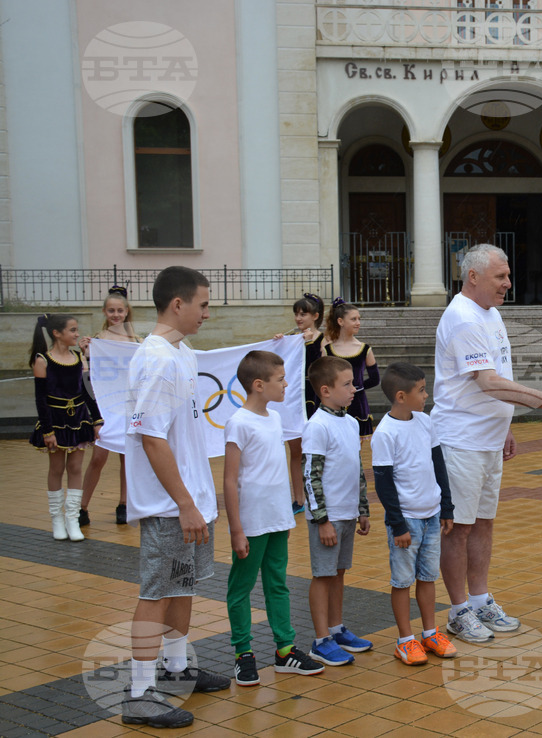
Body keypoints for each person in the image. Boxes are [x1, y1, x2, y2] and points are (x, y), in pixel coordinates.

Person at [432, 243, 542, 643]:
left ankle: (480, 600)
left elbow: (496, 377)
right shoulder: (462, 318)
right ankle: (459, 610)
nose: (508, 284)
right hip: (461, 441)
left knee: (482, 523)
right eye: (501, 277)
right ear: (473, 276)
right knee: (458, 529)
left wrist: (506, 423)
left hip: (487, 437)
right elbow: (488, 381)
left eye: (508, 276)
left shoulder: (490, 314)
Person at [122, 266, 230, 729]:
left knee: (183, 582)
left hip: (191, 498)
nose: (207, 313)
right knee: (158, 590)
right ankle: (140, 693)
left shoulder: (181, 353)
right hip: (170, 504)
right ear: (177, 304)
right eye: (203, 304)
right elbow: (152, 438)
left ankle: (175, 665)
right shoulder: (157, 360)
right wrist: (184, 502)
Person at [223, 350, 325, 687]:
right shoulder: (238, 423)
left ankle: (284, 650)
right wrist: (236, 530)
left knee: (277, 583)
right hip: (251, 522)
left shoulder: (274, 418)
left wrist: (288, 511)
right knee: (241, 587)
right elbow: (230, 479)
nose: (285, 385)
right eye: (280, 380)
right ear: (258, 385)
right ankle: (243, 653)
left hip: (278, 517)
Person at [372, 363, 457, 665]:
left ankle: (430, 632)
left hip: (432, 515)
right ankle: (405, 639)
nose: (426, 395)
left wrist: (446, 506)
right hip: (405, 520)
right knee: (402, 581)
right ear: (400, 396)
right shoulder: (384, 433)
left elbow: (438, 466)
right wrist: (398, 525)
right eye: (420, 390)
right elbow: (384, 484)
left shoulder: (424, 422)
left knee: (427, 577)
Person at [302, 355, 374, 666]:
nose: (355, 388)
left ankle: (336, 627)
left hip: (346, 513)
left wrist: (362, 507)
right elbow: (310, 475)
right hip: (327, 519)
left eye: (353, 382)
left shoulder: (349, 422)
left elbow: (355, 468)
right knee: (323, 575)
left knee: (339, 573)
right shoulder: (317, 426)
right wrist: (322, 521)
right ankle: (321, 640)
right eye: (346, 384)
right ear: (325, 390)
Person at [29, 313, 102, 542]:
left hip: (77, 419)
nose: (77, 333)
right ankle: (57, 520)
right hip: (55, 420)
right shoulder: (42, 360)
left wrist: (97, 420)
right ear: (57, 333)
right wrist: (47, 431)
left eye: (76, 329)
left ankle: (72, 518)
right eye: (72, 330)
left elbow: (87, 392)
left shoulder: (79, 357)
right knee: (56, 468)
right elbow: (40, 399)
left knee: (76, 468)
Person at [80, 286, 140, 526]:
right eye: (111, 310)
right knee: (98, 458)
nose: (116, 315)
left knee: (127, 458)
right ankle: (82, 507)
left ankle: (123, 504)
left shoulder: (137, 340)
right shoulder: (96, 340)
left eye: (120, 310)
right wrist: (85, 355)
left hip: (128, 407)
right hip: (105, 408)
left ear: (127, 312)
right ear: (104, 312)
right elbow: (86, 375)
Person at [274, 293, 325, 515]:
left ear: (315, 316)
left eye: (303, 313)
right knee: (295, 450)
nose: (298, 318)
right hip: (294, 399)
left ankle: (319, 495)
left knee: (315, 449)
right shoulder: (291, 338)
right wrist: (279, 343)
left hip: (314, 398)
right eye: (296, 313)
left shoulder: (324, 340)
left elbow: (323, 366)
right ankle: (298, 499)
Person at [323, 298, 379, 438]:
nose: (358, 323)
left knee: (356, 448)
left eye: (359, 319)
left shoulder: (364, 349)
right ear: (341, 321)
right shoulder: (328, 350)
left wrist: (356, 387)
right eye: (353, 319)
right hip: (334, 403)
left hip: (357, 403)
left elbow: (375, 379)